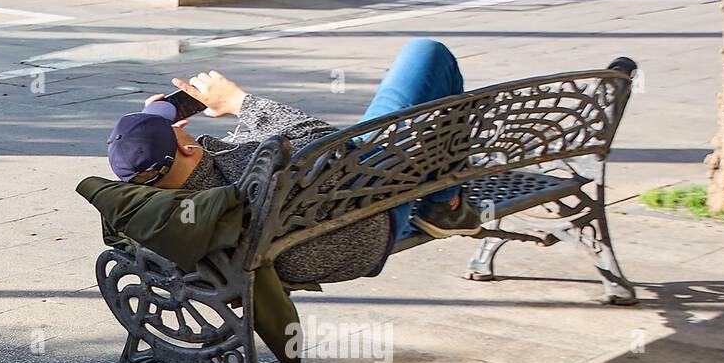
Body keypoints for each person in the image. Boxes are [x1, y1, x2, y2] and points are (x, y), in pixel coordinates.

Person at [104, 38, 483, 286]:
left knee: (411, 116)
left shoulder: (163, 204)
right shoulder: (249, 166)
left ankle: (445, 200)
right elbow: (333, 145)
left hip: (288, 249)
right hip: (365, 222)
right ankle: (445, 204)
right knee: (427, 56)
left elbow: (152, 159)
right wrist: (240, 102)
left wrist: (155, 126)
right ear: (185, 148)